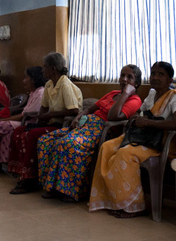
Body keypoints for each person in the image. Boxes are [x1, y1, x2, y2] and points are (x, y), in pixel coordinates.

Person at [89, 61, 176, 218]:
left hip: (159, 143)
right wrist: (136, 117)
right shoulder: (152, 94)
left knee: (125, 153)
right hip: (142, 137)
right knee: (107, 147)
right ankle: (111, 200)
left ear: (170, 79)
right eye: (153, 73)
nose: (155, 77)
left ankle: (134, 206)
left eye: (160, 74)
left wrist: (148, 122)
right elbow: (142, 112)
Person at [38, 65, 144, 202]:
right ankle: (50, 185)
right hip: (85, 125)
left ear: (136, 83)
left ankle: (70, 191)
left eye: (129, 77)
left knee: (67, 143)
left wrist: (126, 94)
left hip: (101, 130)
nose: (124, 79)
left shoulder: (135, 100)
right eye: (122, 75)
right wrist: (77, 117)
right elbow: (90, 109)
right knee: (45, 140)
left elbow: (113, 116)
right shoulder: (112, 94)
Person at [7, 52, 82, 194]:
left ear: (53, 69)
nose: (43, 70)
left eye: (45, 67)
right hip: (51, 122)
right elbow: (44, 105)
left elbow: (74, 110)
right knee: (19, 131)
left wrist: (50, 115)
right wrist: (42, 115)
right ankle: (21, 172)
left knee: (33, 134)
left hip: (63, 125)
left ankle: (31, 178)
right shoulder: (49, 84)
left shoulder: (64, 84)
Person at [0, 66, 46, 178]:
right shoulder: (33, 92)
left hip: (28, 124)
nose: (23, 80)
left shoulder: (40, 93)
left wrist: (3, 120)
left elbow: (26, 116)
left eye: (26, 77)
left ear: (34, 79)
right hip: (22, 121)